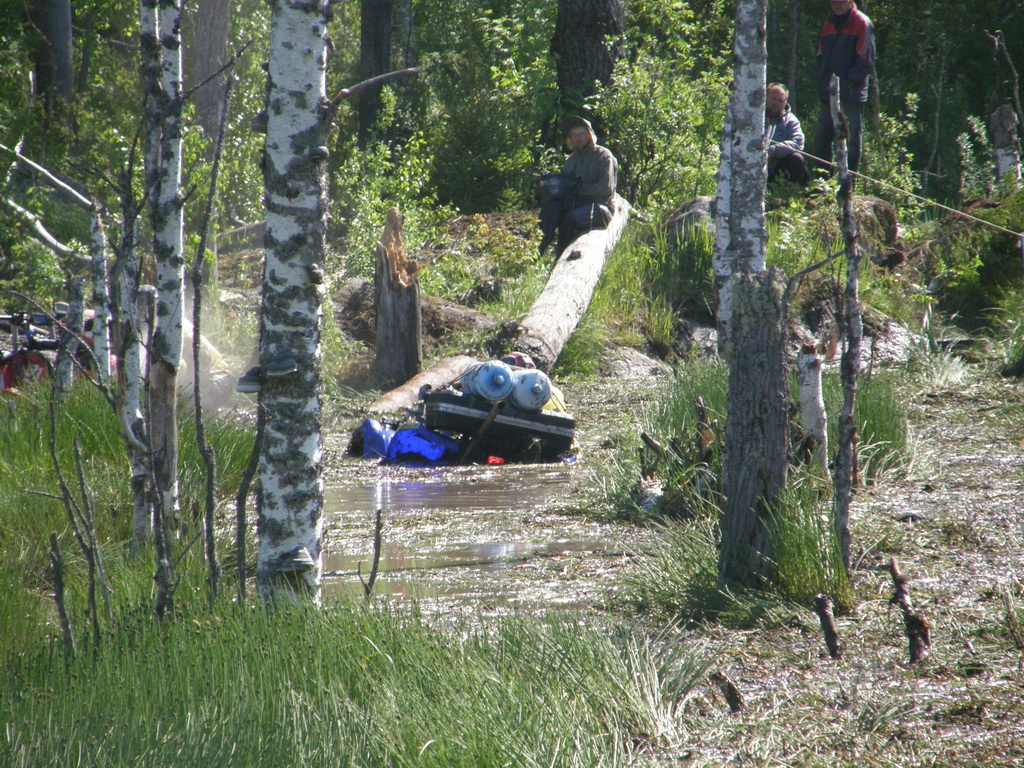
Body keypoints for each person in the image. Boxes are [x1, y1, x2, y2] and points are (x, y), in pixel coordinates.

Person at [811, 0, 875, 176]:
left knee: (852, 139)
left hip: (852, 94)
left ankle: (850, 183)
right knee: (822, 137)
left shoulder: (862, 23)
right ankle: (820, 184)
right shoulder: (828, 23)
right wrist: (819, 78)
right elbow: (820, 55)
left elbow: (865, 62)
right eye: (833, 2)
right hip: (828, 92)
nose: (837, 5)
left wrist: (847, 83)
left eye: (841, 1)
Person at [538, 115, 618, 257]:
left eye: (582, 134)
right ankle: (539, 253)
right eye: (574, 135)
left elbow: (605, 189)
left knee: (571, 218)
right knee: (551, 208)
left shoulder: (604, 156)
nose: (578, 138)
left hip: (601, 208)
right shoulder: (571, 161)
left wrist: (577, 189)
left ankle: (561, 258)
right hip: (577, 203)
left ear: (590, 135)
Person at [765, 83, 809, 187]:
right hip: (754, 163)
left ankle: (790, 193)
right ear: (766, 97)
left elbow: (797, 142)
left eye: (780, 100)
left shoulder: (790, 120)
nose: (776, 103)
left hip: (778, 166)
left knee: (797, 158)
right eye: (773, 99)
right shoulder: (754, 116)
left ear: (785, 103)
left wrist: (773, 151)